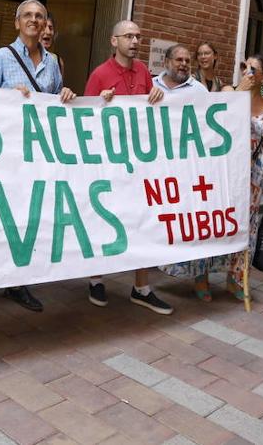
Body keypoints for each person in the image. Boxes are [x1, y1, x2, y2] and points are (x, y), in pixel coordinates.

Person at [0, 0, 75, 320]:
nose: (34, 20)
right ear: (17, 22)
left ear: (45, 25)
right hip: (1, 155)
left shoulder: (53, 62)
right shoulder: (0, 57)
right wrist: (6, 98)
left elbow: (52, 106)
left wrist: (65, 95)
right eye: (28, 15)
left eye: (39, 16)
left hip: (33, 157)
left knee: (24, 221)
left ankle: (16, 282)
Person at [160, 54, 263, 301]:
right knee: (214, 219)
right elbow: (215, 122)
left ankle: (235, 279)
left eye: (253, 69)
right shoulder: (229, 90)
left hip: (254, 169)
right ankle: (201, 277)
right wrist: (239, 93)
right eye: (244, 66)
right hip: (226, 166)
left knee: (245, 225)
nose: (247, 72)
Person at [83, 20, 169, 314]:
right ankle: (95, 279)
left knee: (142, 219)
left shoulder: (144, 71)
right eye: (128, 36)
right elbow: (85, 119)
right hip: (108, 163)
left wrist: (157, 95)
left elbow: (150, 112)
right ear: (113, 40)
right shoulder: (100, 74)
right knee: (103, 218)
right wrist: (100, 103)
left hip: (139, 163)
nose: (134, 41)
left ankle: (141, 287)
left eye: (138, 36)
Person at [40, 11, 65, 77]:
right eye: (43, 27)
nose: (48, 32)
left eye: (50, 28)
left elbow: (58, 87)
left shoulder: (58, 61)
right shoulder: (23, 57)